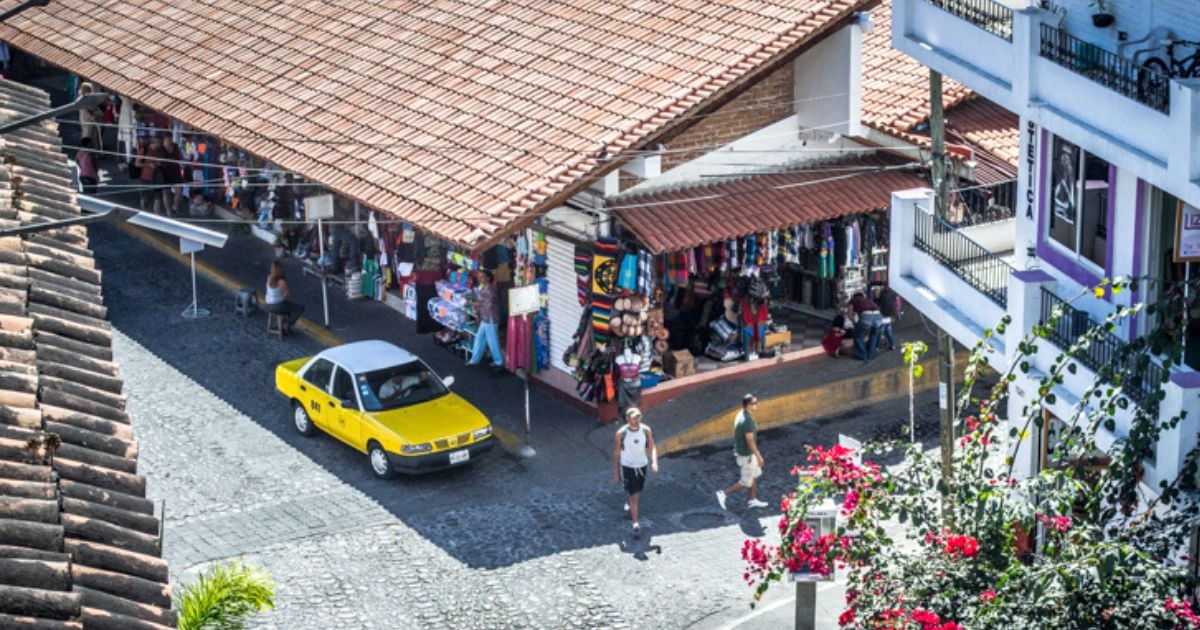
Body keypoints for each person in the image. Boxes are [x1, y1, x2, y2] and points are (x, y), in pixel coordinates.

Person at [716, 394, 768, 510]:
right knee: (745, 482)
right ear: (748, 405)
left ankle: (752, 500)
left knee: (754, 475)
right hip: (747, 455)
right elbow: (749, 440)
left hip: (746, 454)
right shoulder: (747, 420)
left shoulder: (741, 414)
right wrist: (758, 456)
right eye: (754, 403)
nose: (757, 405)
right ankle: (723, 493)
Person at [613, 407, 657, 539]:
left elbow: (652, 446)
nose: (636, 420)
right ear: (627, 419)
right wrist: (616, 472)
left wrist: (654, 461)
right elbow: (617, 452)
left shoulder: (646, 430)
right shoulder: (621, 433)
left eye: (638, 417)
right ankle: (636, 524)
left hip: (642, 465)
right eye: (633, 418)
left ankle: (629, 503)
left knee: (635, 492)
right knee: (634, 497)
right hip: (628, 467)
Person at [467, 269, 504, 369]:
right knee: (479, 338)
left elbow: (489, 305)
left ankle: (499, 362)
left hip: (490, 317)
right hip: (485, 318)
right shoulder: (483, 287)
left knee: (492, 340)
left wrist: (476, 303)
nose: (479, 278)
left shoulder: (490, 289)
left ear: (488, 278)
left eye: (482, 276)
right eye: (479, 276)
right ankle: (474, 360)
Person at [264, 260, 305, 335]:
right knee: (300, 308)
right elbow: (288, 293)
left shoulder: (269, 277)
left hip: (268, 304)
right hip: (277, 306)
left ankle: (284, 327)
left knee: (288, 308)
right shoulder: (281, 282)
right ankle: (286, 324)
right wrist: (284, 295)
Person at [848, 292, 883, 361]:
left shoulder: (853, 300)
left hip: (866, 317)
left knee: (858, 335)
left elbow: (850, 314)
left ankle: (862, 354)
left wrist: (854, 323)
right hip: (879, 317)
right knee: (874, 334)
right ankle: (871, 353)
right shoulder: (868, 299)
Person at [160, 135, 184, 216]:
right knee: (166, 192)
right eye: (167, 140)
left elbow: (181, 157)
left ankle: (175, 207)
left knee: (179, 191)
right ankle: (168, 211)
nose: (169, 142)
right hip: (164, 173)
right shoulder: (160, 149)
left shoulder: (176, 147)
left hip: (175, 171)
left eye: (170, 140)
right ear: (163, 141)